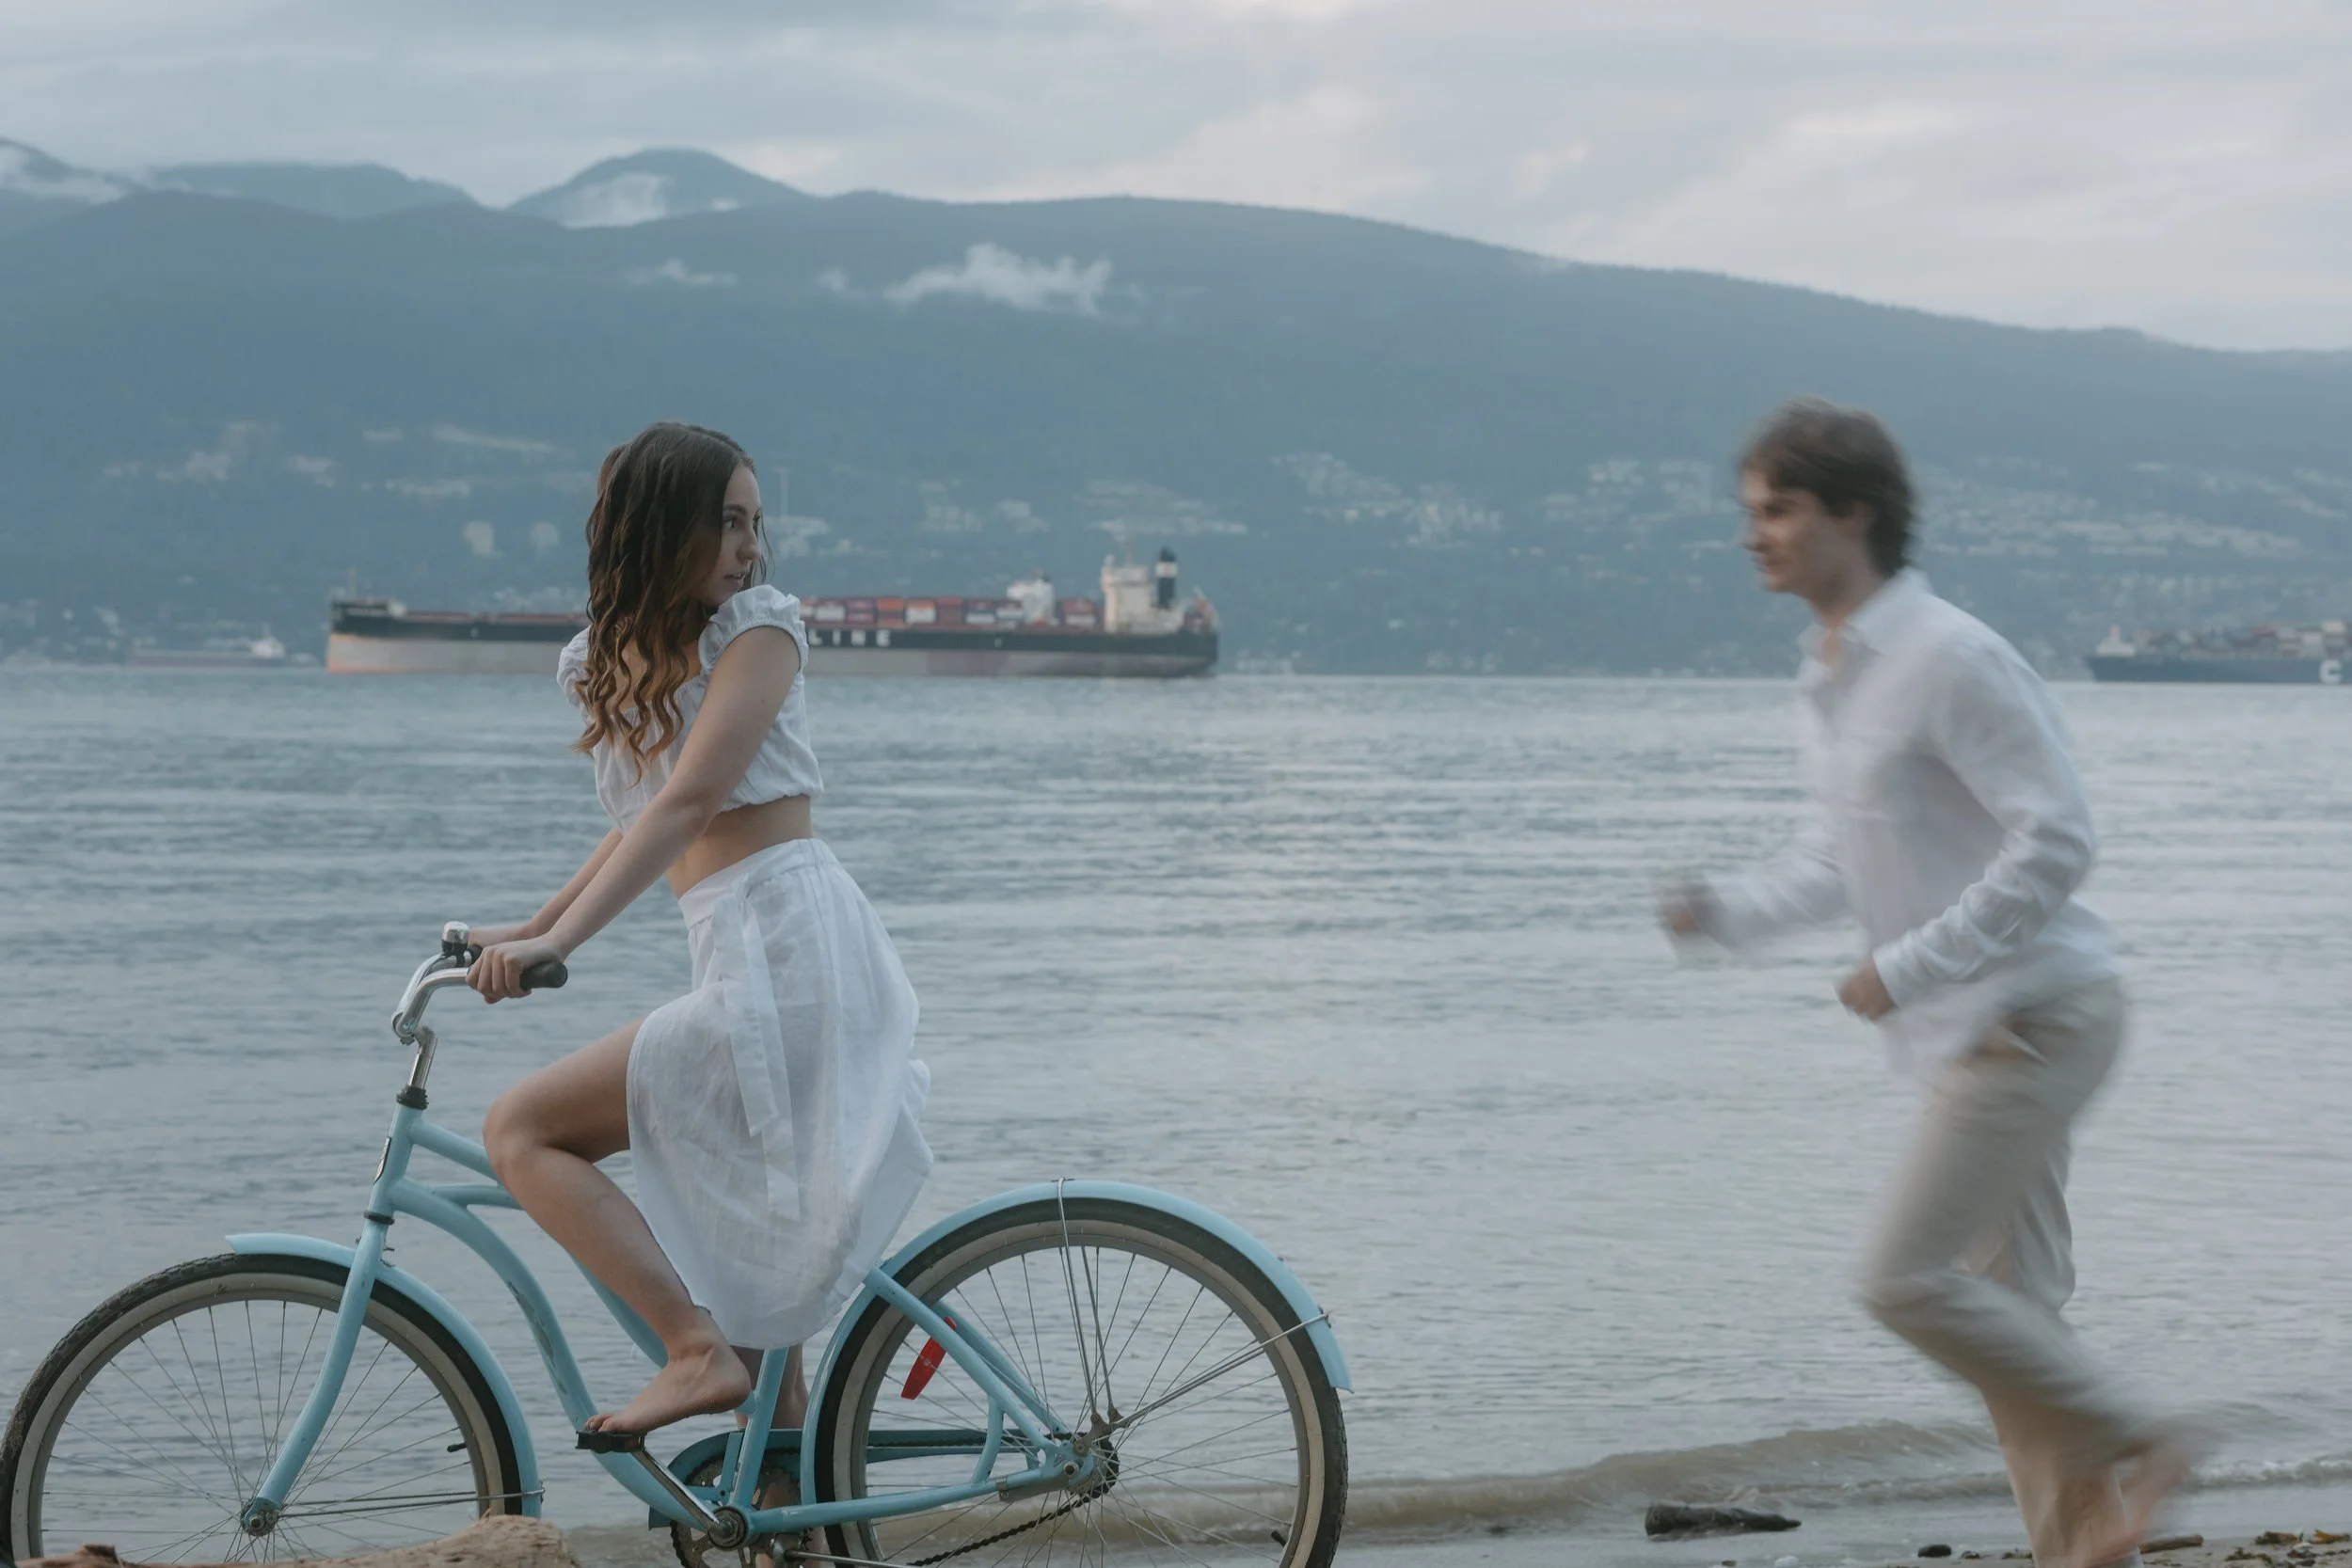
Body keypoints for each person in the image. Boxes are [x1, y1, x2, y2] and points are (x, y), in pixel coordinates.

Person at [1661, 399, 2198, 1568]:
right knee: (2013, 1320)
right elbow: (1833, 856)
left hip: (2038, 1018)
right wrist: (1722, 912)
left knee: (1900, 1279)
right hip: (1980, 1029)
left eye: (1778, 509)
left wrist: (1906, 964)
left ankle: (2149, 1434)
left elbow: (2056, 838)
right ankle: (2080, 1549)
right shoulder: (1837, 668)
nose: (1753, 534)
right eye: (1748, 512)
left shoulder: (1947, 654)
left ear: (1855, 511)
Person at [466, 420, 932, 1438]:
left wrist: (560, 949)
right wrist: (535, 920)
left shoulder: (760, 631)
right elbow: (641, 814)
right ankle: (787, 1525)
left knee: (521, 1128)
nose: (748, 546)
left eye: (755, 523)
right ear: (658, 526)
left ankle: (690, 1346)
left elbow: (688, 801)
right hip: (752, 952)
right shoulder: (614, 659)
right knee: (772, 1353)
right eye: (726, 522)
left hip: (791, 952)